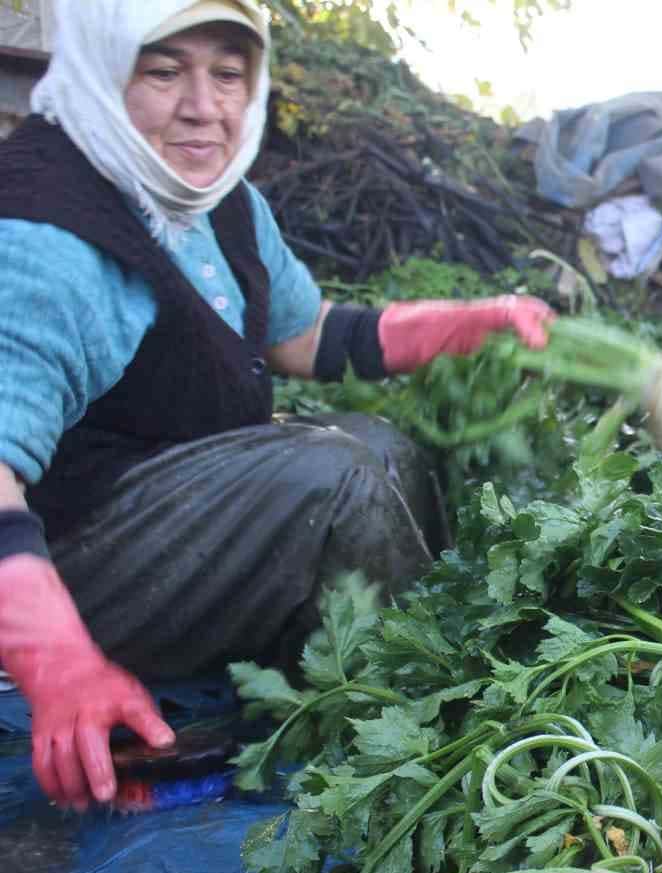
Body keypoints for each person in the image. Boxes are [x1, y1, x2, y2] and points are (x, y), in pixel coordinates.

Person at [0, 1, 560, 811]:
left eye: (227, 74)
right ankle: (412, 731)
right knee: (336, 478)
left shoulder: (209, 198)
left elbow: (309, 337)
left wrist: (465, 324)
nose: (204, 105)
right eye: (163, 72)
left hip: (159, 509)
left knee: (383, 447)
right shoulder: (47, 234)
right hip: (69, 564)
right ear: (99, 70)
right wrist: (59, 663)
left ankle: (372, 684)